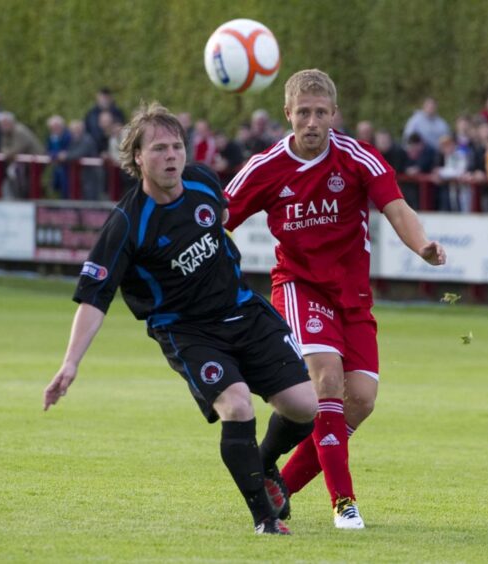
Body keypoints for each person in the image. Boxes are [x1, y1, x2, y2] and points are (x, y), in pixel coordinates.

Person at [43, 101, 318, 535]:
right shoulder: (126, 224)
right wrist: (70, 362)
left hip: (243, 309)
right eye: (158, 149)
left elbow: (222, 220)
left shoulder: (204, 182)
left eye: (176, 147)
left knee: (306, 408)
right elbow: (96, 298)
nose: (170, 156)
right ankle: (264, 519)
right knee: (237, 403)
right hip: (187, 331)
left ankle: (262, 464)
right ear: (137, 157)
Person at [224, 69, 446, 529]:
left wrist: (422, 245)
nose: (311, 122)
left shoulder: (357, 158)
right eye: (302, 113)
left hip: (353, 296)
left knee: (360, 400)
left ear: (333, 114)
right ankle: (344, 503)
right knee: (326, 377)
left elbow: (397, 207)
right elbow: (218, 218)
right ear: (288, 114)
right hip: (299, 287)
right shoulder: (265, 168)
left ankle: (275, 480)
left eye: (320, 113)